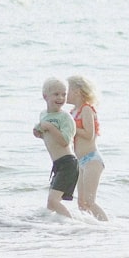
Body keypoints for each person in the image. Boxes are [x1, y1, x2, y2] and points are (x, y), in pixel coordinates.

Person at [33, 77, 78, 218]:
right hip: (57, 164)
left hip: (68, 163)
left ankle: (74, 225)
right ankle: (57, 230)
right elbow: (47, 136)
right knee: (51, 205)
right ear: (45, 96)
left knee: (53, 201)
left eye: (64, 94)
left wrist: (51, 127)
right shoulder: (43, 114)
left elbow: (65, 141)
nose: (60, 98)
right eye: (56, 94)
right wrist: (39, 133)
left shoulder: (65, 118)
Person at [67, 75, 108, 221]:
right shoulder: (72, 112)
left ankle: (108, 228)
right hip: (79, 162)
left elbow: (89, 135)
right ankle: (91, 230)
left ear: (77, 91)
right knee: (81, 203)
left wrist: (71, 127)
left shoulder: (86, 110)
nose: (65, 94)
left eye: (68, 90)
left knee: (90, 202)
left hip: (92, 160)